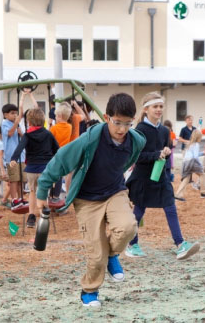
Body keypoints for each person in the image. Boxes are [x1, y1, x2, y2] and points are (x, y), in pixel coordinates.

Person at [37, 93, 146, 308]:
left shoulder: (137, 141)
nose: (122, 129)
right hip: (87, 200)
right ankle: (89, 291)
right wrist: (42, 192)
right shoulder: (91, 139)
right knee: (96, 256)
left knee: (128, 227)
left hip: (115, 192)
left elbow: (127, 163)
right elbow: (60, 160)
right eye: (117, 123)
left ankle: (113, 255)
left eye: (127, 124)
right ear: (107, 117)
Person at [125, 92, 200, 261]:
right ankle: (132, 244)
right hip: (143, 178)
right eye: (155, 106)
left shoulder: (165, 130)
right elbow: (136, 157)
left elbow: (164, 151)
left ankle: (180, 245)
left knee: (170, 206)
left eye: (160, 106)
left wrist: (165, 153)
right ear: (146, 109)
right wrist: (157, 154)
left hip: (161, 177)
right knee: (138, 211)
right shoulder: (138, 131)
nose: (159, 110)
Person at [10, 108, 59, 228]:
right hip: (46, 169)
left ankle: (31, 216)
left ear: (29, 122)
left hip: (31, 168)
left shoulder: (27, 135)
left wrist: (13, 159)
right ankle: (44, 216)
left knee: (32, 192)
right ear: (43, 121)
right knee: (44, 193)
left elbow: (20, 147)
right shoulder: (48, 134)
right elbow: (57, 149)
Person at [1, 93, 28, 208]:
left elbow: (21, 136)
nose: (14, 115)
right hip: (11, 156)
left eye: (16, 113)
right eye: (12, 113)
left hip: (21, 155)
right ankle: (14, 200)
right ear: (5, 114)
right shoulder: (5, 124)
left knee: (22, 178)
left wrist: (21, 132)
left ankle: (21, 197)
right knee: (14, 179)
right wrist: (16, 122)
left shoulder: (15, 124)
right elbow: (10, 133)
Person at [175, 130, 205, 201]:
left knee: (186, 178)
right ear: (198, 137)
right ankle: (204, 192)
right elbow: (195, 157)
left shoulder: (190, 144)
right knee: (202, 174)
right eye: (201, 137)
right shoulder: (196, 144)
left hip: (185, 162)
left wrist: (202, 153)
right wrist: (200, 165)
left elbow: (192, 154)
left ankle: (178, 195)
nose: (201, 138)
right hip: (192, 162)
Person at [49, 102, 72, 203]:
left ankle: (51, 195)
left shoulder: (54, 128)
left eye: (55, 116)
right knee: (59, 176)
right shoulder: (70, 127)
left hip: (55, 154)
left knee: (52, 175)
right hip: (65, 154)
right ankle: (56, 196)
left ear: (59, 116)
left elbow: (49, 140)